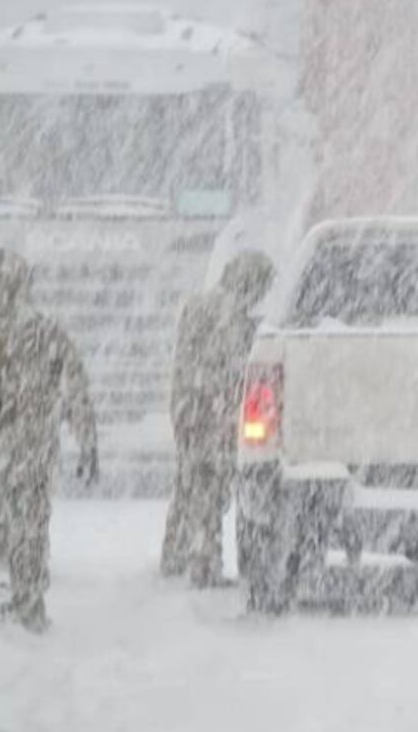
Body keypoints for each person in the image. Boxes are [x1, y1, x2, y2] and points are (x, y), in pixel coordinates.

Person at [0, 248, 98, 633]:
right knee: (27, 527)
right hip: (30, 449)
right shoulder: (46, 332)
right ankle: (28, 606)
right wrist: (87, 440)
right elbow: (76, 388)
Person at [162, 250, 275, 584]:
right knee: (210, 486)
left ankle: (175, 553)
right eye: (261, 288)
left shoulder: (198, 305)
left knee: (189, 481)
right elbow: (230, 368)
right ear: (249, 283)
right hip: (210, 411)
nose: (260, 297)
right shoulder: (230, 316)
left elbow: (188, 361)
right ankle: (204, 563)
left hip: (189, 407)